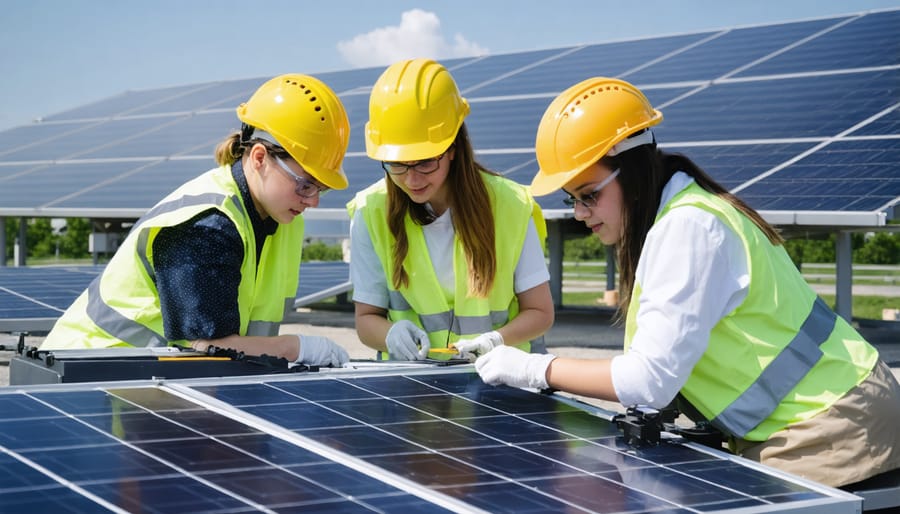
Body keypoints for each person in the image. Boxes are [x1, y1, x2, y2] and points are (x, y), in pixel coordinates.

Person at [474, 76, 900, 487]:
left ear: (632, 171)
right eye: (572, 199)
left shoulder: (689, 228)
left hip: (834, 423)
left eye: (589, 195)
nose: (580, 213)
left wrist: (533, 369)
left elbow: (648, 381)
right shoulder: (677, 219)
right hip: (816, 416)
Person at [40, 74, 351, 368]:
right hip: (84, 375)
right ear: (259, 158)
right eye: (305, 185)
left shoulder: (281, 219)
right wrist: (293, 348)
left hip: (141, 380)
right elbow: (207, 349)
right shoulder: (206, 226)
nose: (313, 201)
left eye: (321, 188)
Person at [347, 58, 554, 362]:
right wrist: (390, 334)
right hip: (412, 383)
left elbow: (540, 311)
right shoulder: (371, 212)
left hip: (500, 379)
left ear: (454, 147)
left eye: (425, 162)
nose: (412, 179)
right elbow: (366, 320)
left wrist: (495, 341)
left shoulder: (511, 205)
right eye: (397, 164)